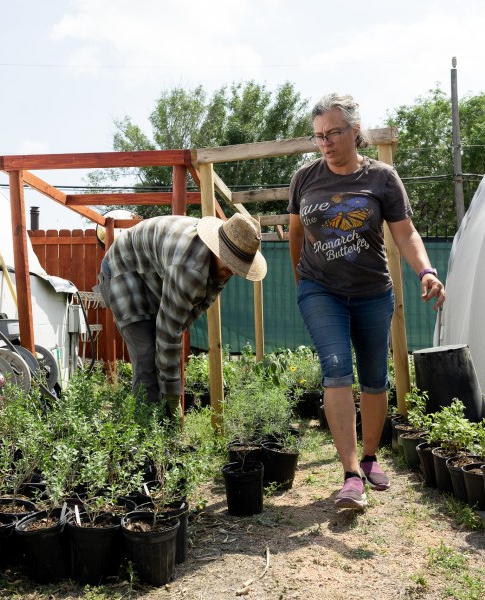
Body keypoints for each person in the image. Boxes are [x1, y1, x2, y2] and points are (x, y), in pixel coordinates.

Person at [287, 93, 446, 509]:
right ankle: (351, 473)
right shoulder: (304, 178)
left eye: (334, 132)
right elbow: (296, 232)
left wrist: (426, 271)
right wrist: (301, 278)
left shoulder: (383, 178)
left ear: (355, 132)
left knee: (375, 377)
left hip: (374, 291)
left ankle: (372, 456)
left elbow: (405, 233)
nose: (325, 142)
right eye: (319, 135)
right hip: (321, 290)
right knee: (337, 367)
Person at [95, 213, 267, 418]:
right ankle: (145, 435)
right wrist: (174, 400)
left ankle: (160, 425)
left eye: (240, 265)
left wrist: (170, 385)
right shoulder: (189, 267)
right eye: (232, 263)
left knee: (161, 356)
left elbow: (191, 311)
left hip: (150, 274)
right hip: (122, 268)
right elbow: (168, 333)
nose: (236, 271)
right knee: (147, 356)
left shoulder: (222, 264)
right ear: (217, 248)